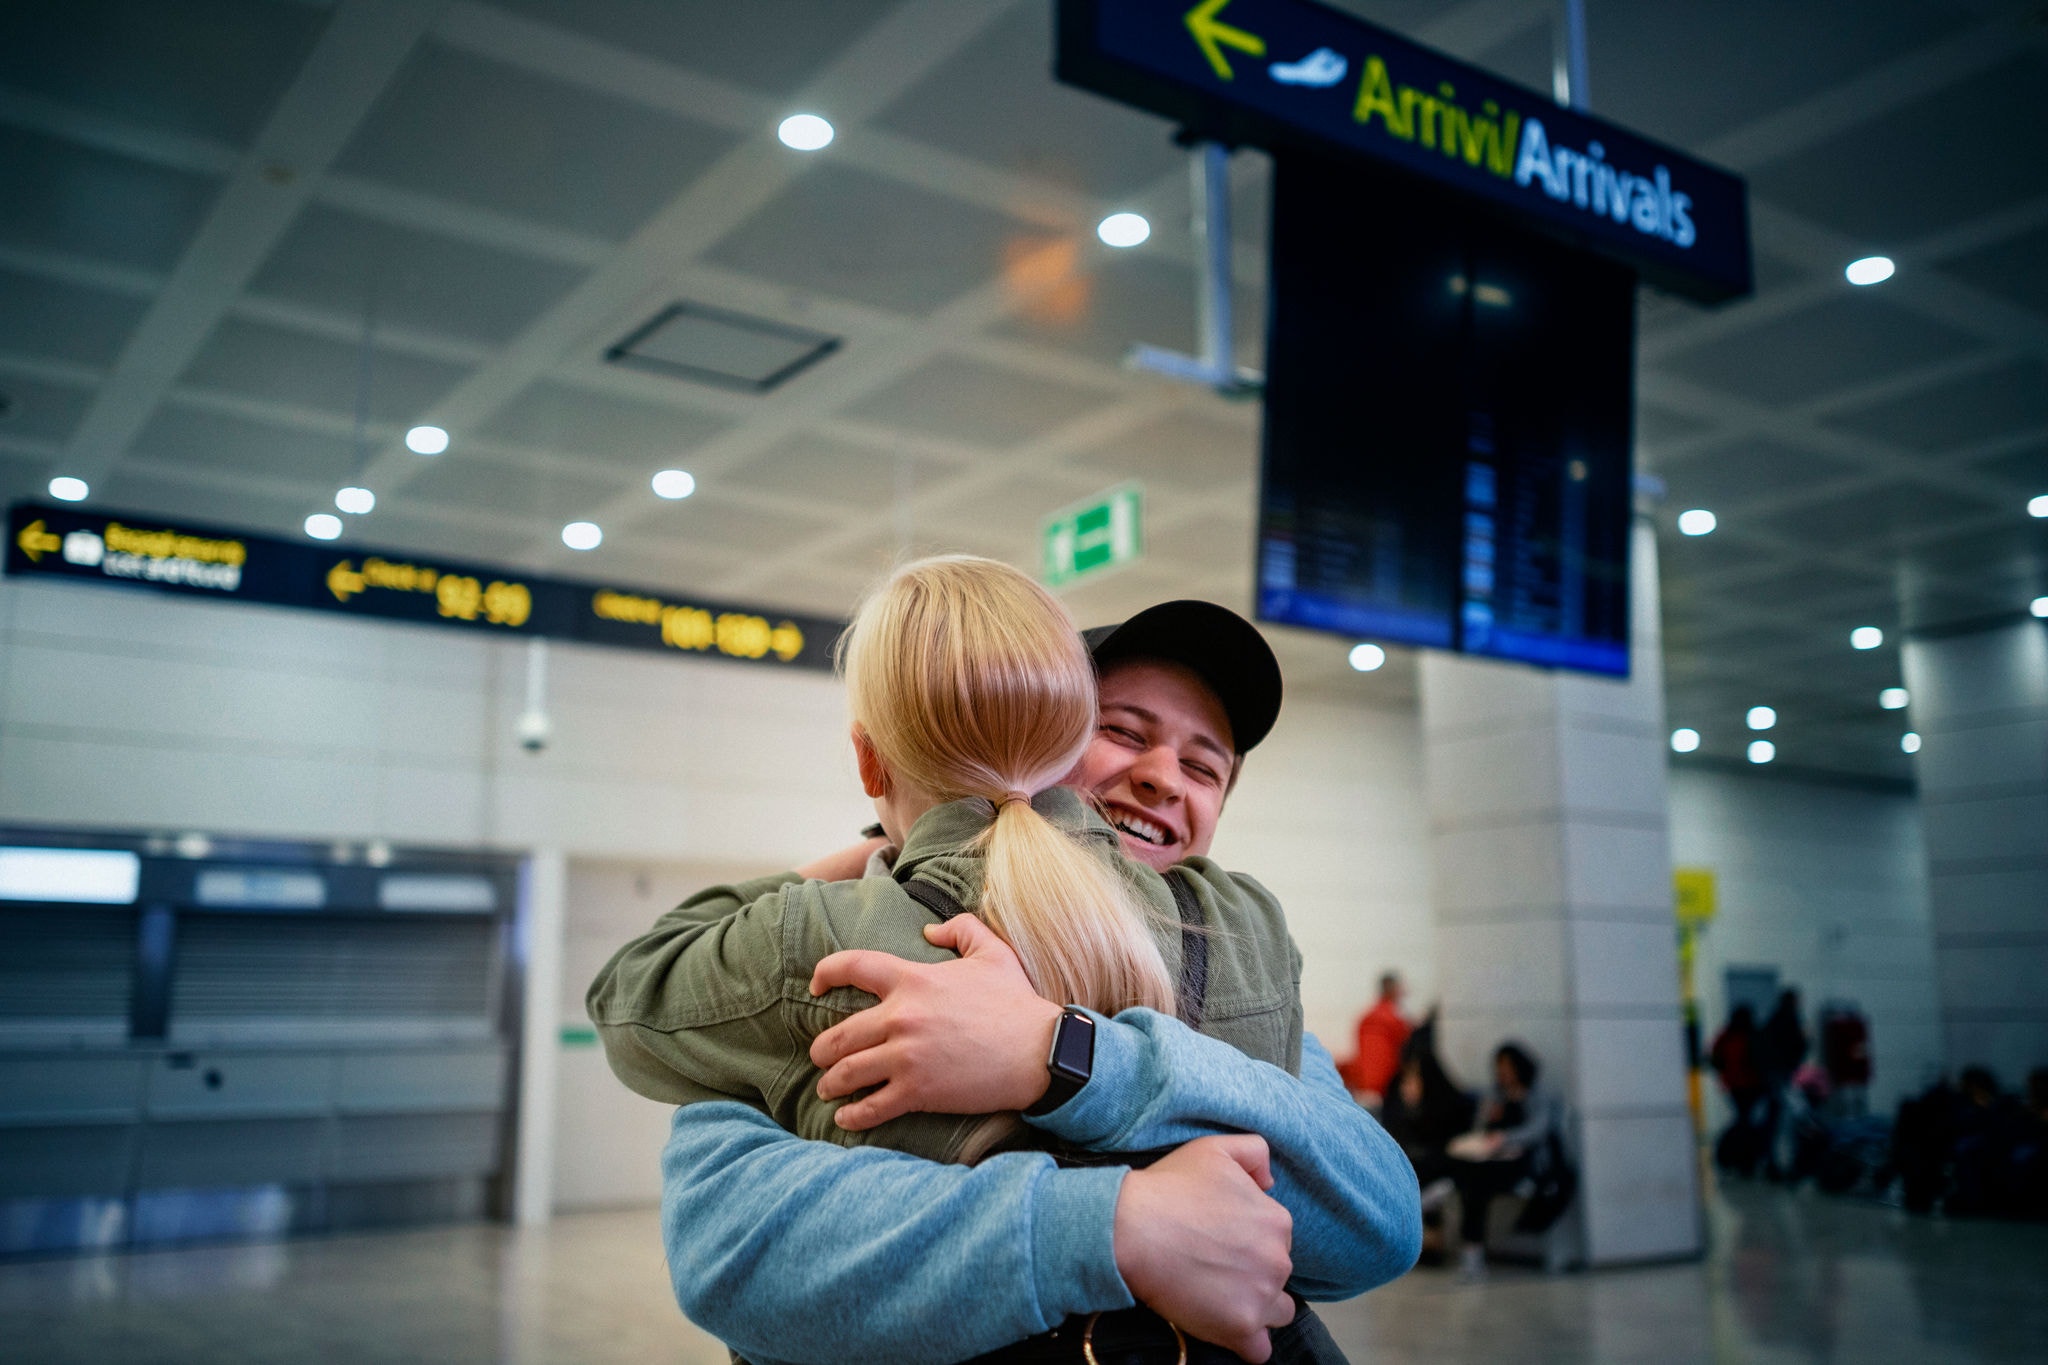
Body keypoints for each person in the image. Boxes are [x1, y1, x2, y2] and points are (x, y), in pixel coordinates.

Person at [588, 566, 1420, 1365]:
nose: (1165, 776)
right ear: (1042, 732)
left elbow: (1376, 1220)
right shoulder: (1249, 942)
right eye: (1123, 730)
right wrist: (1118, 1223)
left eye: (1205, 766)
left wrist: (1059, 1052)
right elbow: (740, 1251)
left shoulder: (816, 948)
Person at [1443, 1042, 1567, 1277]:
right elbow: (1480, 1127)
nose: (1504, 1072)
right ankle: (1472, 1253)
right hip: (1493, 1161)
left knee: (1475, 1184)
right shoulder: (1495, 1095)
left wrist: (1505, 1138)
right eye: (1500, 1066)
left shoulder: (1537, 1096)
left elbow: (1537, 1130)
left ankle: (1471, 1250)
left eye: (1508, 1066)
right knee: (1473, 1183)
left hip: (1526, 1164)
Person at [1708, 1004, 1765, 1175]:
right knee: (1745, 1121)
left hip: (1735, 1084)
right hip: (1749, 1084)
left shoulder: (1727, 1035)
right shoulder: (1750, 1035)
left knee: (1743, 1120)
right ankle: (1740, 1159)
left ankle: (1739, 1158)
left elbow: (1715, 1059)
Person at [1337, 973, 1410, 1103]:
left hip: (1365, 1083)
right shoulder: (1397, 1021)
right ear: (1395, 991)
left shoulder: (1365, 1017)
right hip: (1387, 1086)